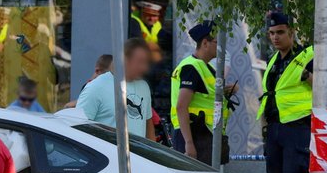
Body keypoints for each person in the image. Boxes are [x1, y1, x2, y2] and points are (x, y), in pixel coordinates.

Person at [258, 12, 314, 173]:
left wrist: (309, 77)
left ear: (291, 33)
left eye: (280, 32)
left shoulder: (307, 56)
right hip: (276, 131)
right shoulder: (273, 61)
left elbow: (325, 86)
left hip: (297, 129)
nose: (275, 37)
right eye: (271, 33)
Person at [171, 21, 238, 165]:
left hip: (203, 134)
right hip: (193, 135)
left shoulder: (205, 67)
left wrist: (227, 92)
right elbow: (181, 106)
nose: (221, 48)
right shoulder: (192, 67)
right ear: (205, 43)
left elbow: (206, 96)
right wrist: (189, 143)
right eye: (217, 43)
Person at [76, 38, 155, 139]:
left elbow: (148, 126)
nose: (145, 68)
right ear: (124, 59)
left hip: (136, 155)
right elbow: (78, 130)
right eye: (140, 62)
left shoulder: (144, 86)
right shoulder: (95, 87)